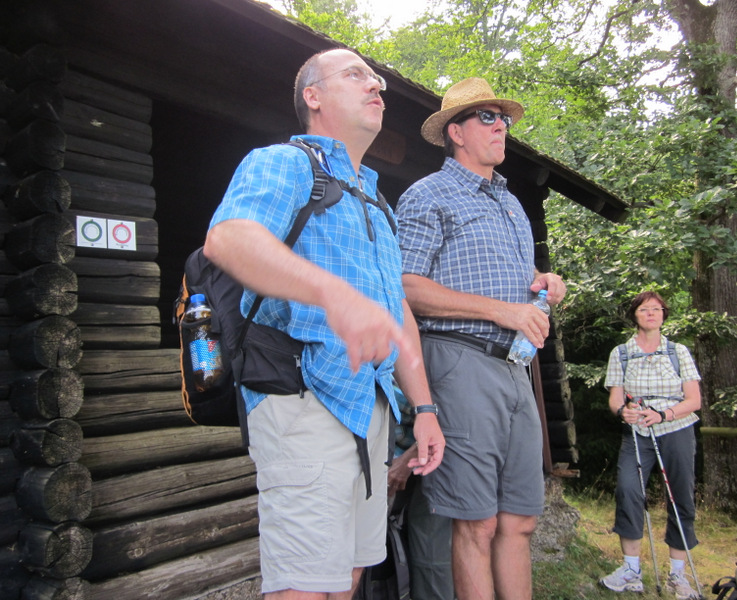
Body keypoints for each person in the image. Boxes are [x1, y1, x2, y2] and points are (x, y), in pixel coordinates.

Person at [204, 48, 445, 600]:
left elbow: (397, 310)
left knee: (350, 576)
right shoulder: (284, 163)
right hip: (304, 398)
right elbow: (228, 238)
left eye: (377, 79)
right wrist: (334, 294)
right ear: (312, 97)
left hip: (374, 412)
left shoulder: (378, 203)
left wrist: (425, 409)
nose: (375, 86)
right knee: (305, 587)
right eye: (355, 75)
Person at [395, 77, 566, 600]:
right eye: (487, 118)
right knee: (477, 524)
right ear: (456, 132)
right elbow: (404, 287)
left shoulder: (511, 203)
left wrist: (542, 280)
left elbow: (511, 277)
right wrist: (503, 311)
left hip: (516, 370)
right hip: (460, 361)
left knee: (519, 522)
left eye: (504, 119)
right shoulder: (427, 194)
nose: (501, 128)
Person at [601, 291, 702, 600]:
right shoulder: (621, 353)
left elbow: (694, 400)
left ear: (663, 315)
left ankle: (678, 576)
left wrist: (663, 414)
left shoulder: (678, 351)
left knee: (680, 496)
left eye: (657, 309)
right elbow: (616, 398)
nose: (651, 313)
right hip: (637, 433)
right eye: (645, 309)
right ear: (635, 315)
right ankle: (631, 570)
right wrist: (623, 411)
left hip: (676, 429)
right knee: (628, 490)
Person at [388, 387, 455, 600]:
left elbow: (451, 408)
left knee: (432, 552)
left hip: (433, 455)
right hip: (391, 454)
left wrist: (410, 458)